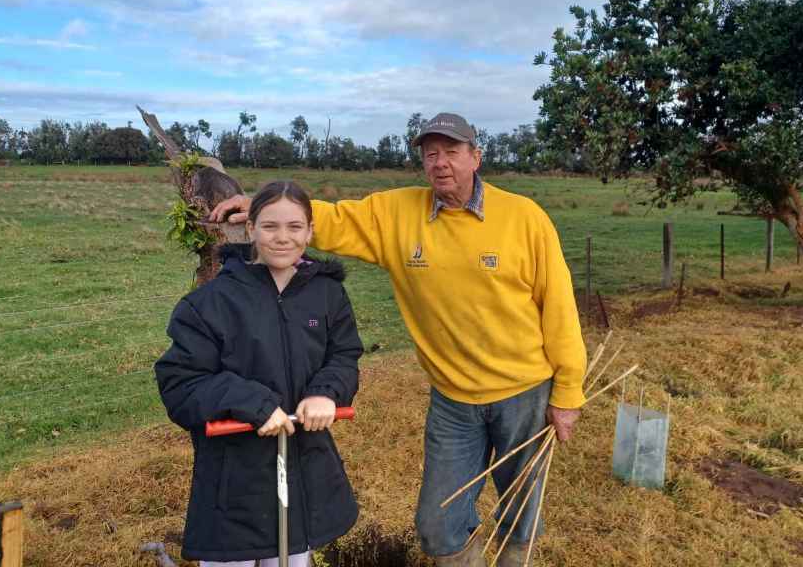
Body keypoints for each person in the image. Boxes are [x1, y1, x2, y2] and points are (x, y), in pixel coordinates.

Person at [210, 113, 586, 567]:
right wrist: (265, 208)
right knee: (437, 523)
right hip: (454, 400)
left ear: (476, 157)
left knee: (522, 510)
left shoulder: (525, 218)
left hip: (524, 392)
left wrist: (567, 392)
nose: (440, 163)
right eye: (431, 154)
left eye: (451, 151)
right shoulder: (399, 214)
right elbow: (334, 219)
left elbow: (560, 309)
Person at [156, 180, 363, 567]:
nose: (282, 238)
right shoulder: (209, 304)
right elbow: (182, 385)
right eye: (270, 227)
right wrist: (255, 404)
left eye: (294, 227)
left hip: (301, 470)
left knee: (294, 559)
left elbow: (344, 355)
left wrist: (327, 393)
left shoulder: (328, 295)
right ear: (250, 229)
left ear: (310, 231)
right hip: (233, 481)